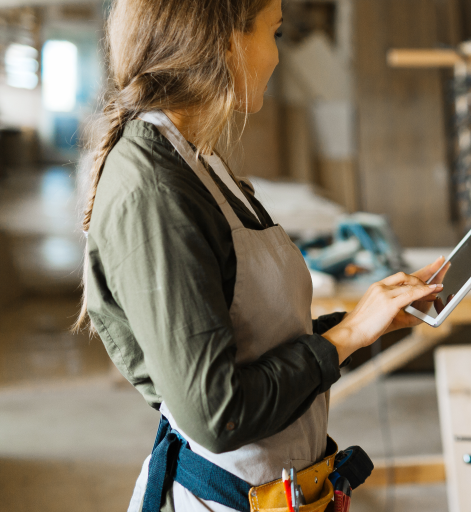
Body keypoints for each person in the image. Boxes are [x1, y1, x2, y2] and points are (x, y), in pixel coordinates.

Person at [76, 0, 446, 510]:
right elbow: (217, 412)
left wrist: (367, 322)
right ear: (225, 41)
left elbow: (254, 341)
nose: (276, 57)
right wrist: (347, 337)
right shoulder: (156, 187)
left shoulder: (199, 161)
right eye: (272, 33)